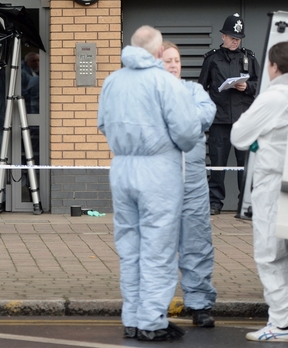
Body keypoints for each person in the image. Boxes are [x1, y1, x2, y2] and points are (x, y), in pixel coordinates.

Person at [97, 26, 201, 341]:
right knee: (159, 249)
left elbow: (103, 124)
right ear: (158, 53)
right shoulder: (164, 82)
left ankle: (132, 316)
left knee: (130, 248)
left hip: (122, 167)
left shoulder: (113, 80)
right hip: (158, 171)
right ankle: (152, 320)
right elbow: (187, 132)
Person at [231, 42, 288, 343]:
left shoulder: (273, 97)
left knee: (270, 254)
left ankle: (281, 324)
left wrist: (257, 143)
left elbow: (238, 135)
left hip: (273, 183)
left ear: (274, 67)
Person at [161, 42, 218, 327]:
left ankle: (199, 304)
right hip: (159, 184)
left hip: (194, 183)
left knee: (197, 243)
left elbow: (206, 114)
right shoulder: (150, 94)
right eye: (168, 60)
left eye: (177, 60)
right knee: (158, 247)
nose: (173, 65)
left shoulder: (195, 91)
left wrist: (173, 122)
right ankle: (155, 305)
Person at [198, 13, 261, 215]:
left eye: (238, 38)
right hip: (219, 120)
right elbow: (201, 88)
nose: (235, 41)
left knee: (245, 165)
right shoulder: (212, 59)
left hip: (244, 120)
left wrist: (247, 87)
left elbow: (260, 84)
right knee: (218, 164)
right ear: (223, 36)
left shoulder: (249, 58)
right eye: (232, 37)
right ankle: (215, 203)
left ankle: (246, 205)